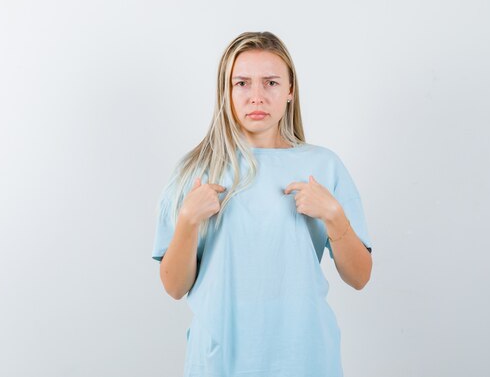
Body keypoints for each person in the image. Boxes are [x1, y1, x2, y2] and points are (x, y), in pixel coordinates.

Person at [151, 31, 373, 377]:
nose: (256, 96)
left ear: (289, 91)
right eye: (242, 83)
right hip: (220, 360)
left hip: (305, 358)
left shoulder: (323, 166)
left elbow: (360, 277)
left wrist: (334, 216)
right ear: (226, 91)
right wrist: (187, 220)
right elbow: (174, 286)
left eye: (270, 82)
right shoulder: (195, 171)